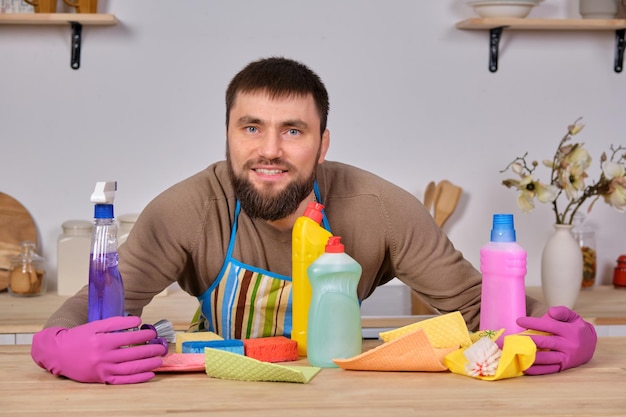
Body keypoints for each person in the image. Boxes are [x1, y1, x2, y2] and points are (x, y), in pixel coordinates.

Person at [31, 57, 597, 384]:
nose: (269, 150)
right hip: (225, 398)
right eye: (251, 128)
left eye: (293, 131)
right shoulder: (188, 210)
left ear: (322, 143)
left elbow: (485, 311)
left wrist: (565, 335)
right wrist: (55, 347)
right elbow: (89, 311)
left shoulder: (381, 209)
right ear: (228, 135)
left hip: (341, 397)